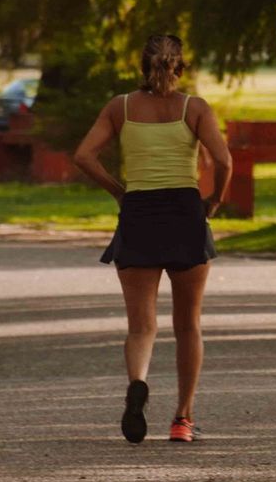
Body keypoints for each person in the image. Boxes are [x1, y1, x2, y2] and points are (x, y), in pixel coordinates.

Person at [73, 35, 232, 445]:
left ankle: (138, 383)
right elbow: (224, 160)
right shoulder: (194, 108)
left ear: (143, 67)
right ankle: (182, 418)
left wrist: (117, 189)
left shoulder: (121, 107)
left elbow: (84, 155)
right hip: (185, 212)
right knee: (188, 326)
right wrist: (214, 200)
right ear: (180, 67)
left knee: (141, 326)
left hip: (139, 213)